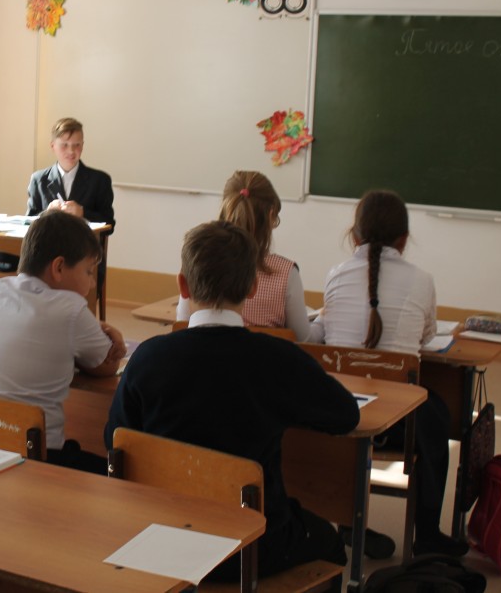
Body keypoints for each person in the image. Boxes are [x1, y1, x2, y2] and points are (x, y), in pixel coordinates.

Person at [107, 220, 358, 582]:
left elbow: (115, 441)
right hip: (252, 545)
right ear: (253, 286)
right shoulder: (278, 358)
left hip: (161, 538)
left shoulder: (148, 358)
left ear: (183, 285)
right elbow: (346, 415)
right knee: (330, 543)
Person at [311, 190, 467, 558]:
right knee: (438, 413)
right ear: (404, 239)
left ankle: (348, 522)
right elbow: (427, 337)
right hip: (400, 424)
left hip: (343, 413)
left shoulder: (336, 275)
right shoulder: (421, 280)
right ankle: (426, 533)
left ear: (354, 236)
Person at [0, 211, 126, 474]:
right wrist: (116, 338)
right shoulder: (71, 308)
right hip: (31, 455)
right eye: (89, 271)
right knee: (121, 473)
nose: (91, 283)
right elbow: (106, 366)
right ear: (58, 267)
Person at [176, 170, 312, 341]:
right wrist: (321, 323)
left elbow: (182, 324)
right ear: (271, 216)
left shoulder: (200, 260)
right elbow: (302, 338)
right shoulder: (286, 273)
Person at [26, 117, 115, 226]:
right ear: (53, 146)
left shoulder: (100, 180)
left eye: (76, 145)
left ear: (82, 145)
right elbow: (28, 222)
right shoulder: (39, 179)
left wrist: (82, 213)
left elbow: (109, 224)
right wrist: (47, 213)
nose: (71, 151)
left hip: (82, 237)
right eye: (64, 145)